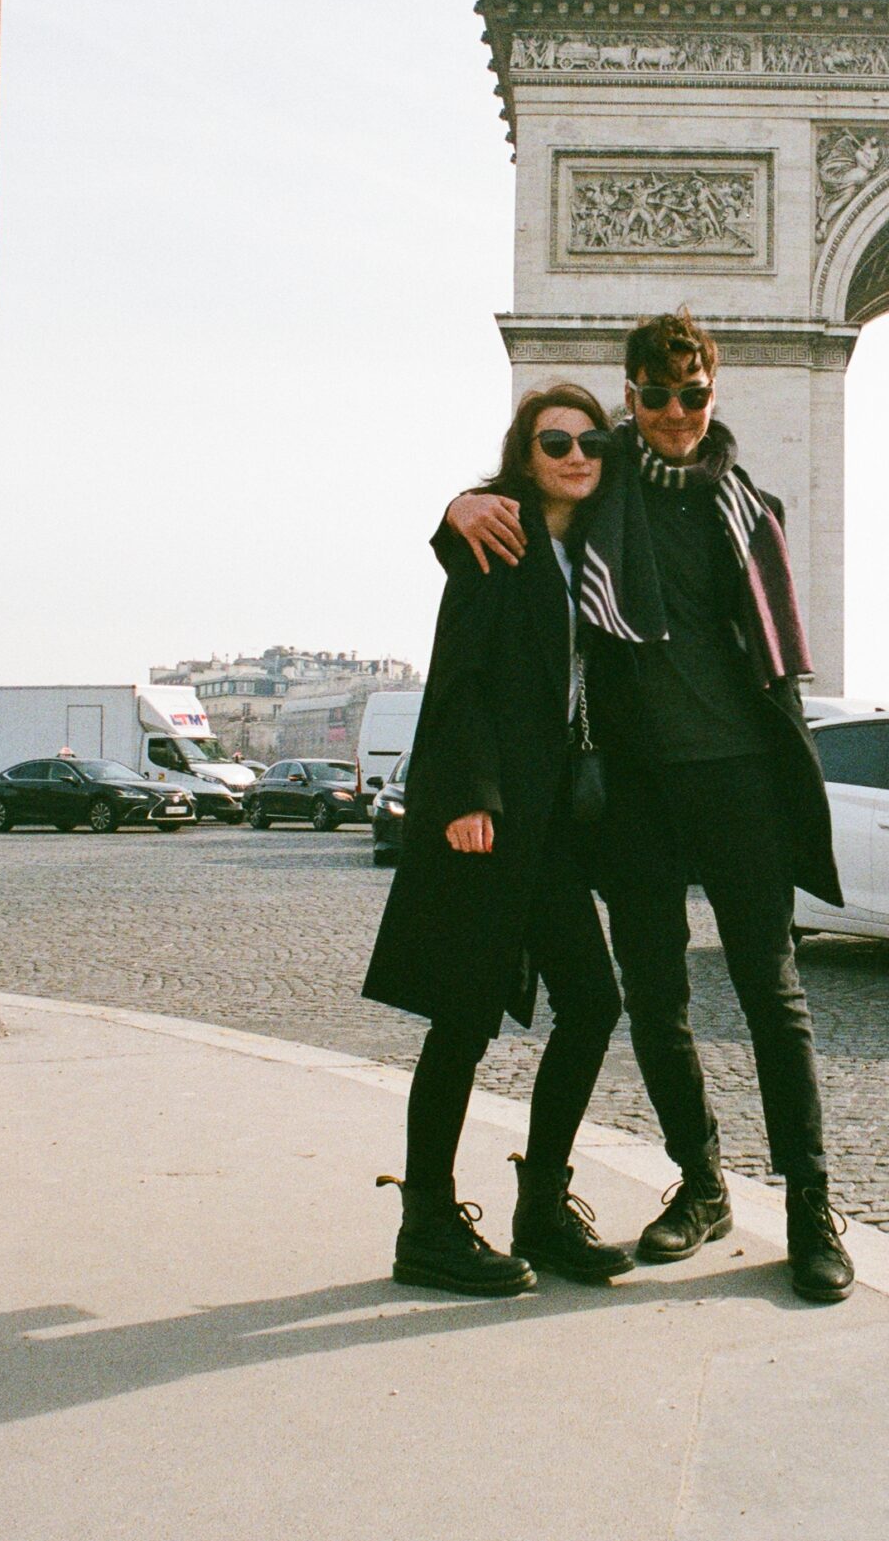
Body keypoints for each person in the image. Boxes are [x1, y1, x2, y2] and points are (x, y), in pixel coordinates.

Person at [443, 312, 854, 1304]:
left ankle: (811, 1206)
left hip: (741, 777)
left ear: (714, 393)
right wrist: (458, 505)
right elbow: (519, 490)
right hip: (635, 789)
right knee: (657, 1002)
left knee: (771, 995)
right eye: (658, 396)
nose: (676, 413)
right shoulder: (600, 480)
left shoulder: (750, 508)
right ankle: (702, 1182)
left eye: (693, 395)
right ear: (629, 394)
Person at [365, 385, 632, 1297]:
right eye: (555, 441)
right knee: (463, 1017)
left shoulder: (595, 547)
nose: (577, 455)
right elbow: (460, 675)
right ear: (524, 453)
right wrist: (467, 795)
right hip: (489, 820)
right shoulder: (497, 537)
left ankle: (541, 1206)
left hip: (552, 827)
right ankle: (427, 1224)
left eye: (591, 441)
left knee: (592, 1002)